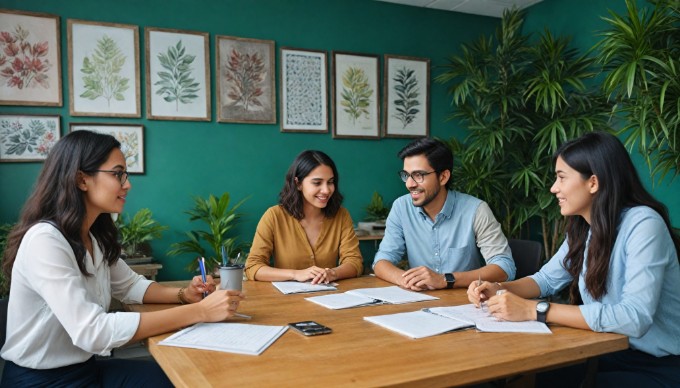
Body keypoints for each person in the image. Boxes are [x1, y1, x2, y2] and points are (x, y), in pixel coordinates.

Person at [0, 130, 246, 387]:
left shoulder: (92, 238)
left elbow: (131, 286)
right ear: (81, 179)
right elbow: (92, 331)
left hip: (85, 369)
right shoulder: (45, 241)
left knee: (185, 377)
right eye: (118, 174)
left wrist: (184, 294)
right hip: (40, 381)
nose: (127, 184)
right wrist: (200, 311)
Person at [468, 131, 680, 387]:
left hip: (654, 365)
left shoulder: (643, 224)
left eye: (561, 178)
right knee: (548, 371)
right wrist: (498, 289)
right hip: (600, 349)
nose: (553, 188)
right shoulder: (584, 227)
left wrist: (533, 309)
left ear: (593, 182)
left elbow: (634, 318)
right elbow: (545, 280)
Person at [373, 137, 515, 291]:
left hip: (465, 302)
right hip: (419, 301)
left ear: (443, 177)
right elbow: (381, 262)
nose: (410, 184)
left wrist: (446, 279)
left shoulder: (476, 210)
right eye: (406, 175)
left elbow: (505, 267)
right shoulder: (401, 207)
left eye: (419, 175)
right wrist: (407, 280)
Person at [245, 150, 363, 284]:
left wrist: (333, 273)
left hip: (328, 299)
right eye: (317, 183)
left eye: (330, 182)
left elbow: (355, 262)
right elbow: (253, 267)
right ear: (298, 183)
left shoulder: (341, 216)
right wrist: (295, 274)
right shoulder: (274, 216)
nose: (326, 190)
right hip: (284, 302)